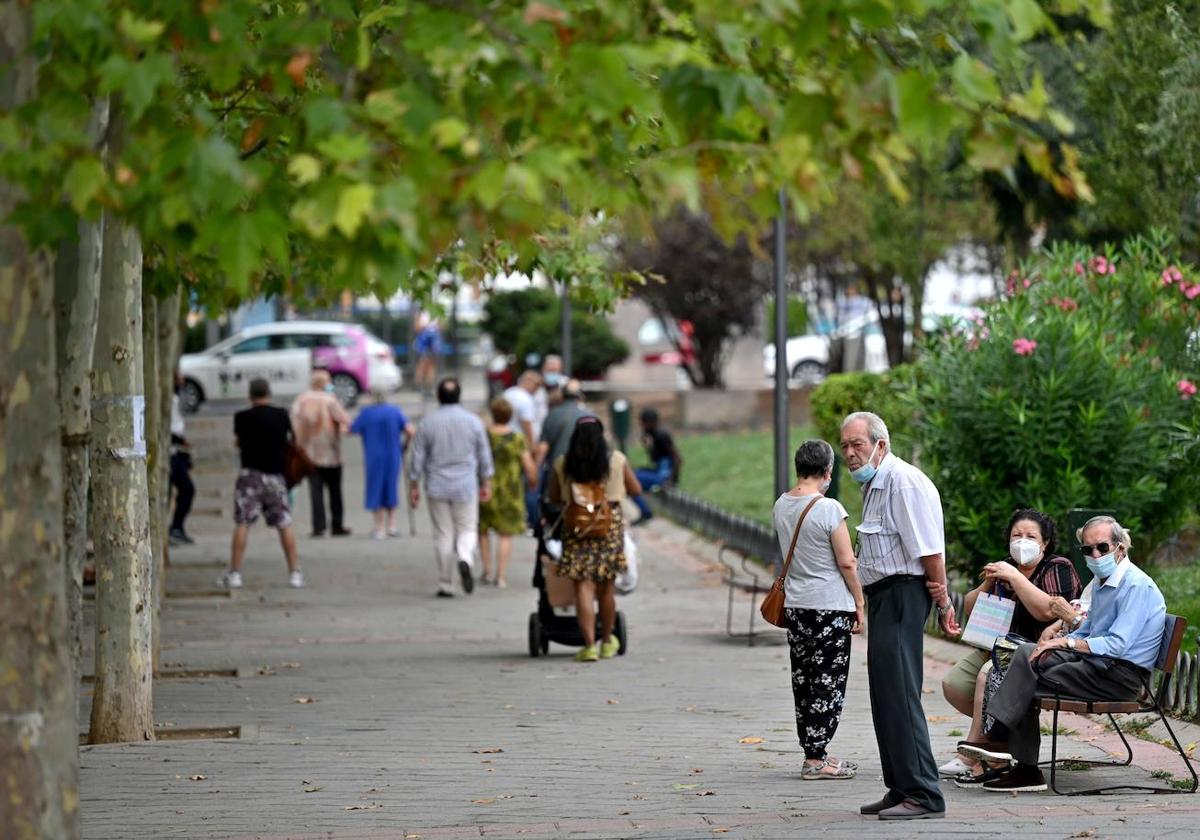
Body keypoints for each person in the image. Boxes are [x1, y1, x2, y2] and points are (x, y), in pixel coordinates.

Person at [960, 515, 1166, 793]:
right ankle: (1003, 749)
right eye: (1087, 549)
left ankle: (1009, 753)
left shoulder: (1135, 585)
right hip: (1093, 665)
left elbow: (1117, 644)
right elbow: (1088, 630)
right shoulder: (1104, 581)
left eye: (1102, 548)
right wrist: (1058, 641)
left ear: (1120, 548)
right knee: (1025, 652)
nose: (1094, 554)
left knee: (1026, 674)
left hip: (1118, 675)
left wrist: (1064, 646)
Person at [840, 411, 958, 821]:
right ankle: (900, 785)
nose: (851, 454)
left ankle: (925, 794)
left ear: (881, 444)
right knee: (885, 694)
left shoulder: (904, 482)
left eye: (858, 444)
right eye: (846, 446)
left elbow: (929, 550)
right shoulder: (876, 484)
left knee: (902, 693)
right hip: (884, 598)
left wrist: (943, 602)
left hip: (905, 594)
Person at [937, 509, 1082, 785]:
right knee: (953, 684)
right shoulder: (1006, 566)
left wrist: (1016, 578)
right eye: (1017, 535)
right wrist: (990, 580)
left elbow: (1046, 611)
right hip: (1000, 646)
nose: (1022, 541)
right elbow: (970, 607)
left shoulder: (1057, 566)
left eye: (1030, 536)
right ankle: (1001, 740)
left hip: (1039, 651)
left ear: (1045, 543)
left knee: (988, 675)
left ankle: (975, 752)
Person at [773, 440, 866, 780]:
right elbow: (847, 561)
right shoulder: (828, 509)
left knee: (804, 678)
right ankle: (816, 759)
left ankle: (812, 750)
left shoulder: (781, 504)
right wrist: (859, 603)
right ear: (828, 471)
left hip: (797, 605)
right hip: (830, 607)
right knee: (828, 682)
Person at [548, 416, 641, 662]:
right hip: (608, 529)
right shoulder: (616, 460)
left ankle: (589, 646)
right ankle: (608, 641)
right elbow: (636, 489)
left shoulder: (563, 463)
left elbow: (554, 497)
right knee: (606, 589)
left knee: (582, 587)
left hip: (577, 530)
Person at [408, 378, 494, 597]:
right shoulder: (473, 421)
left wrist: (414, 484)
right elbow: (484, 454)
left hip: (436, 484)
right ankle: (465, 557)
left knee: (443, 533)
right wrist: (486, 482)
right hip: (466, 484)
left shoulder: (428, 422)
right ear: (459, 395)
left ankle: (446, 582)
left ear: (438, 396)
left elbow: (417, 456)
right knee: (467, 528)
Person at [217, 378, 302, 589]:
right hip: (275, 476)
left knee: (243, 522)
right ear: (269, 393)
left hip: (250, 476)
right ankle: (294, 573)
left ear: (250, 395)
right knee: (284, 522)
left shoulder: (242, 417)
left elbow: (238, 442)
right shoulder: (282, 414)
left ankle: (235, 573)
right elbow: (292, 439)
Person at [478, 397, 537, 588]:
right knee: (505, 535)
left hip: (486, 489)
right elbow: (528, 466)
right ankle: (501, 576)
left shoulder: (484, 435)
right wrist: (533, 480)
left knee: (483, 531)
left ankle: (486, 570)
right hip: (510, 491)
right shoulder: (517, 438)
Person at [291, 369, 352, 538]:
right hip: (330, 453)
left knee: (315, 491)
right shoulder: (330, 400)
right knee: (335, 491)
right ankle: (337, 525)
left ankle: (318, 526)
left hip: (308, 454)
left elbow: (294, 425)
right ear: (323, 383)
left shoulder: (300, 400)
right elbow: (345, 420)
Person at [350, 388, 414, 540]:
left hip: (374, 456)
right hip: (393, 454)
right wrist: (405, 445)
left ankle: (379, 527)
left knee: (375, 487)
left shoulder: (366, 413)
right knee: (390, 486)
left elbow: (351, 429)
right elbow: (410, 431)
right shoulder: (395, 411)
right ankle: (392, 525)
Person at [629, 407, 682, 526]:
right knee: (632, 473)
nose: (641, 426)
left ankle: (646, 512)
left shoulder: (661, 436)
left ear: (649, 423)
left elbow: (678, 458)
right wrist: (647, 446)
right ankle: (645, 510)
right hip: (658, 472)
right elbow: (655, 459)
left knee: (630, 480)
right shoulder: (653, 436)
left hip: (663, 477)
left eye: (642, 423)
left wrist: (671, 480)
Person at [168, 372, 196, 545]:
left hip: (176, 451)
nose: (182, 382)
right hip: (169, 452)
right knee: (185, 489)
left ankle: (176, 527)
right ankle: (175, 528)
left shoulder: (176, 398)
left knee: (186, 490)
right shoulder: (169, 400)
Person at [503, 370, 540, 450]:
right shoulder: (525, 399)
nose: (536, 390)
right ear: (529, 383)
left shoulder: (508, 392)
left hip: (505, 438)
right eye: (536, 386)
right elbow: (527, 423)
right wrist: (531, 445)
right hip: (519, 443)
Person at [413, 315, 441, 395]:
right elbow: (417, 327)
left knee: (431, 366)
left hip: (432, 340)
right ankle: (420, 386)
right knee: (423, 365)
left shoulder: (436, 311)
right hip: (424, 340)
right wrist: (426, 328)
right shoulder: (421, 311)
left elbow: (440, 326)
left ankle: (428, 387)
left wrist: (434, 329)